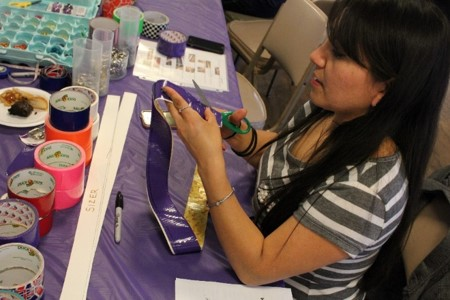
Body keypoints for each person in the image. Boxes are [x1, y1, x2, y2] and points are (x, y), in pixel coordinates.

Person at [163, 0, 450, 298]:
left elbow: (256, 267)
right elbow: (287, 163)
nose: (316, 56)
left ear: (384, 89)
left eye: (338, 53)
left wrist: (210, 163)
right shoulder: (334, 109)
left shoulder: (367, 193)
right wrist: (244, 139)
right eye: (327, 40)